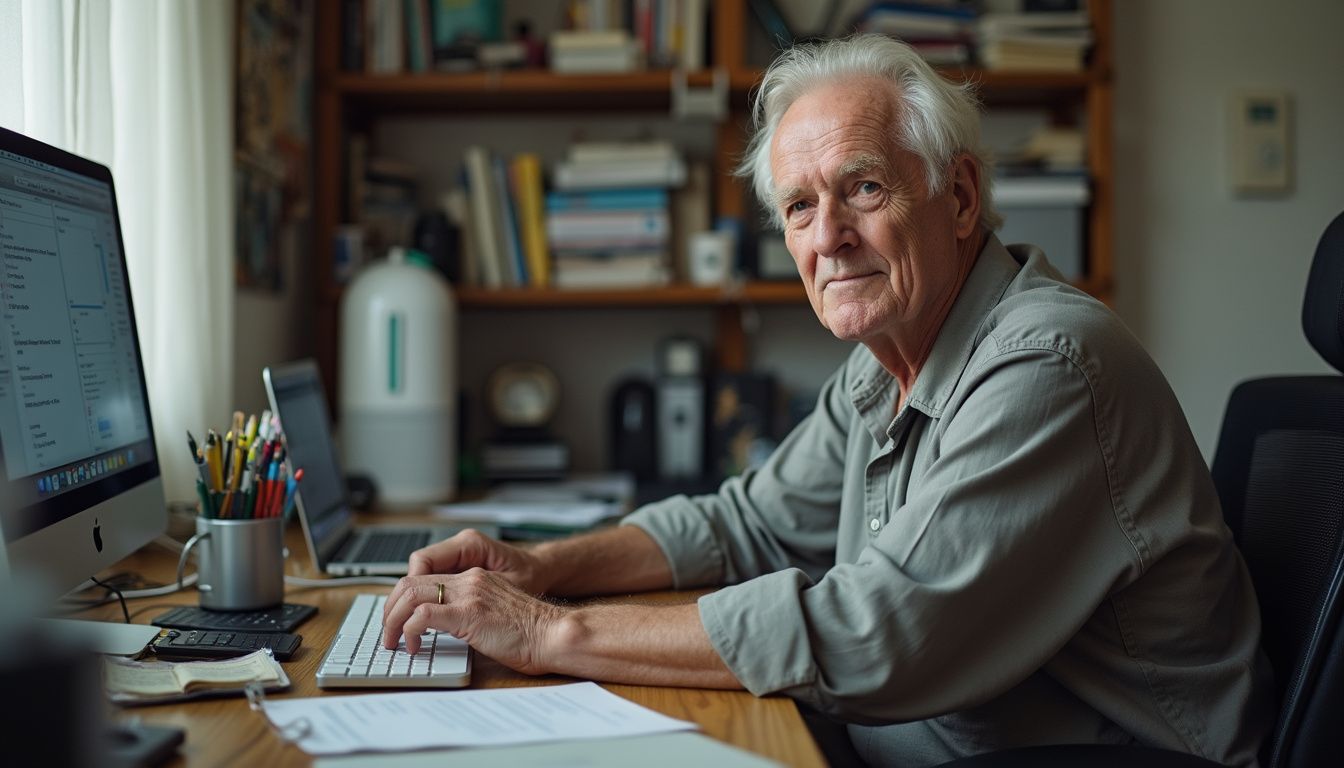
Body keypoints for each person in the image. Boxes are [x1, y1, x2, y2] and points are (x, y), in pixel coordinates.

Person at [382, 35, 1272, 766]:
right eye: (800, 208)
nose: (829, 240)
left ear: (959, 196)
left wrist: (548, 634)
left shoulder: (1048, 364)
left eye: (864, 189)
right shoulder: (886, 362)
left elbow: (877, 634)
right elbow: (746, 526)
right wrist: (540, 567)